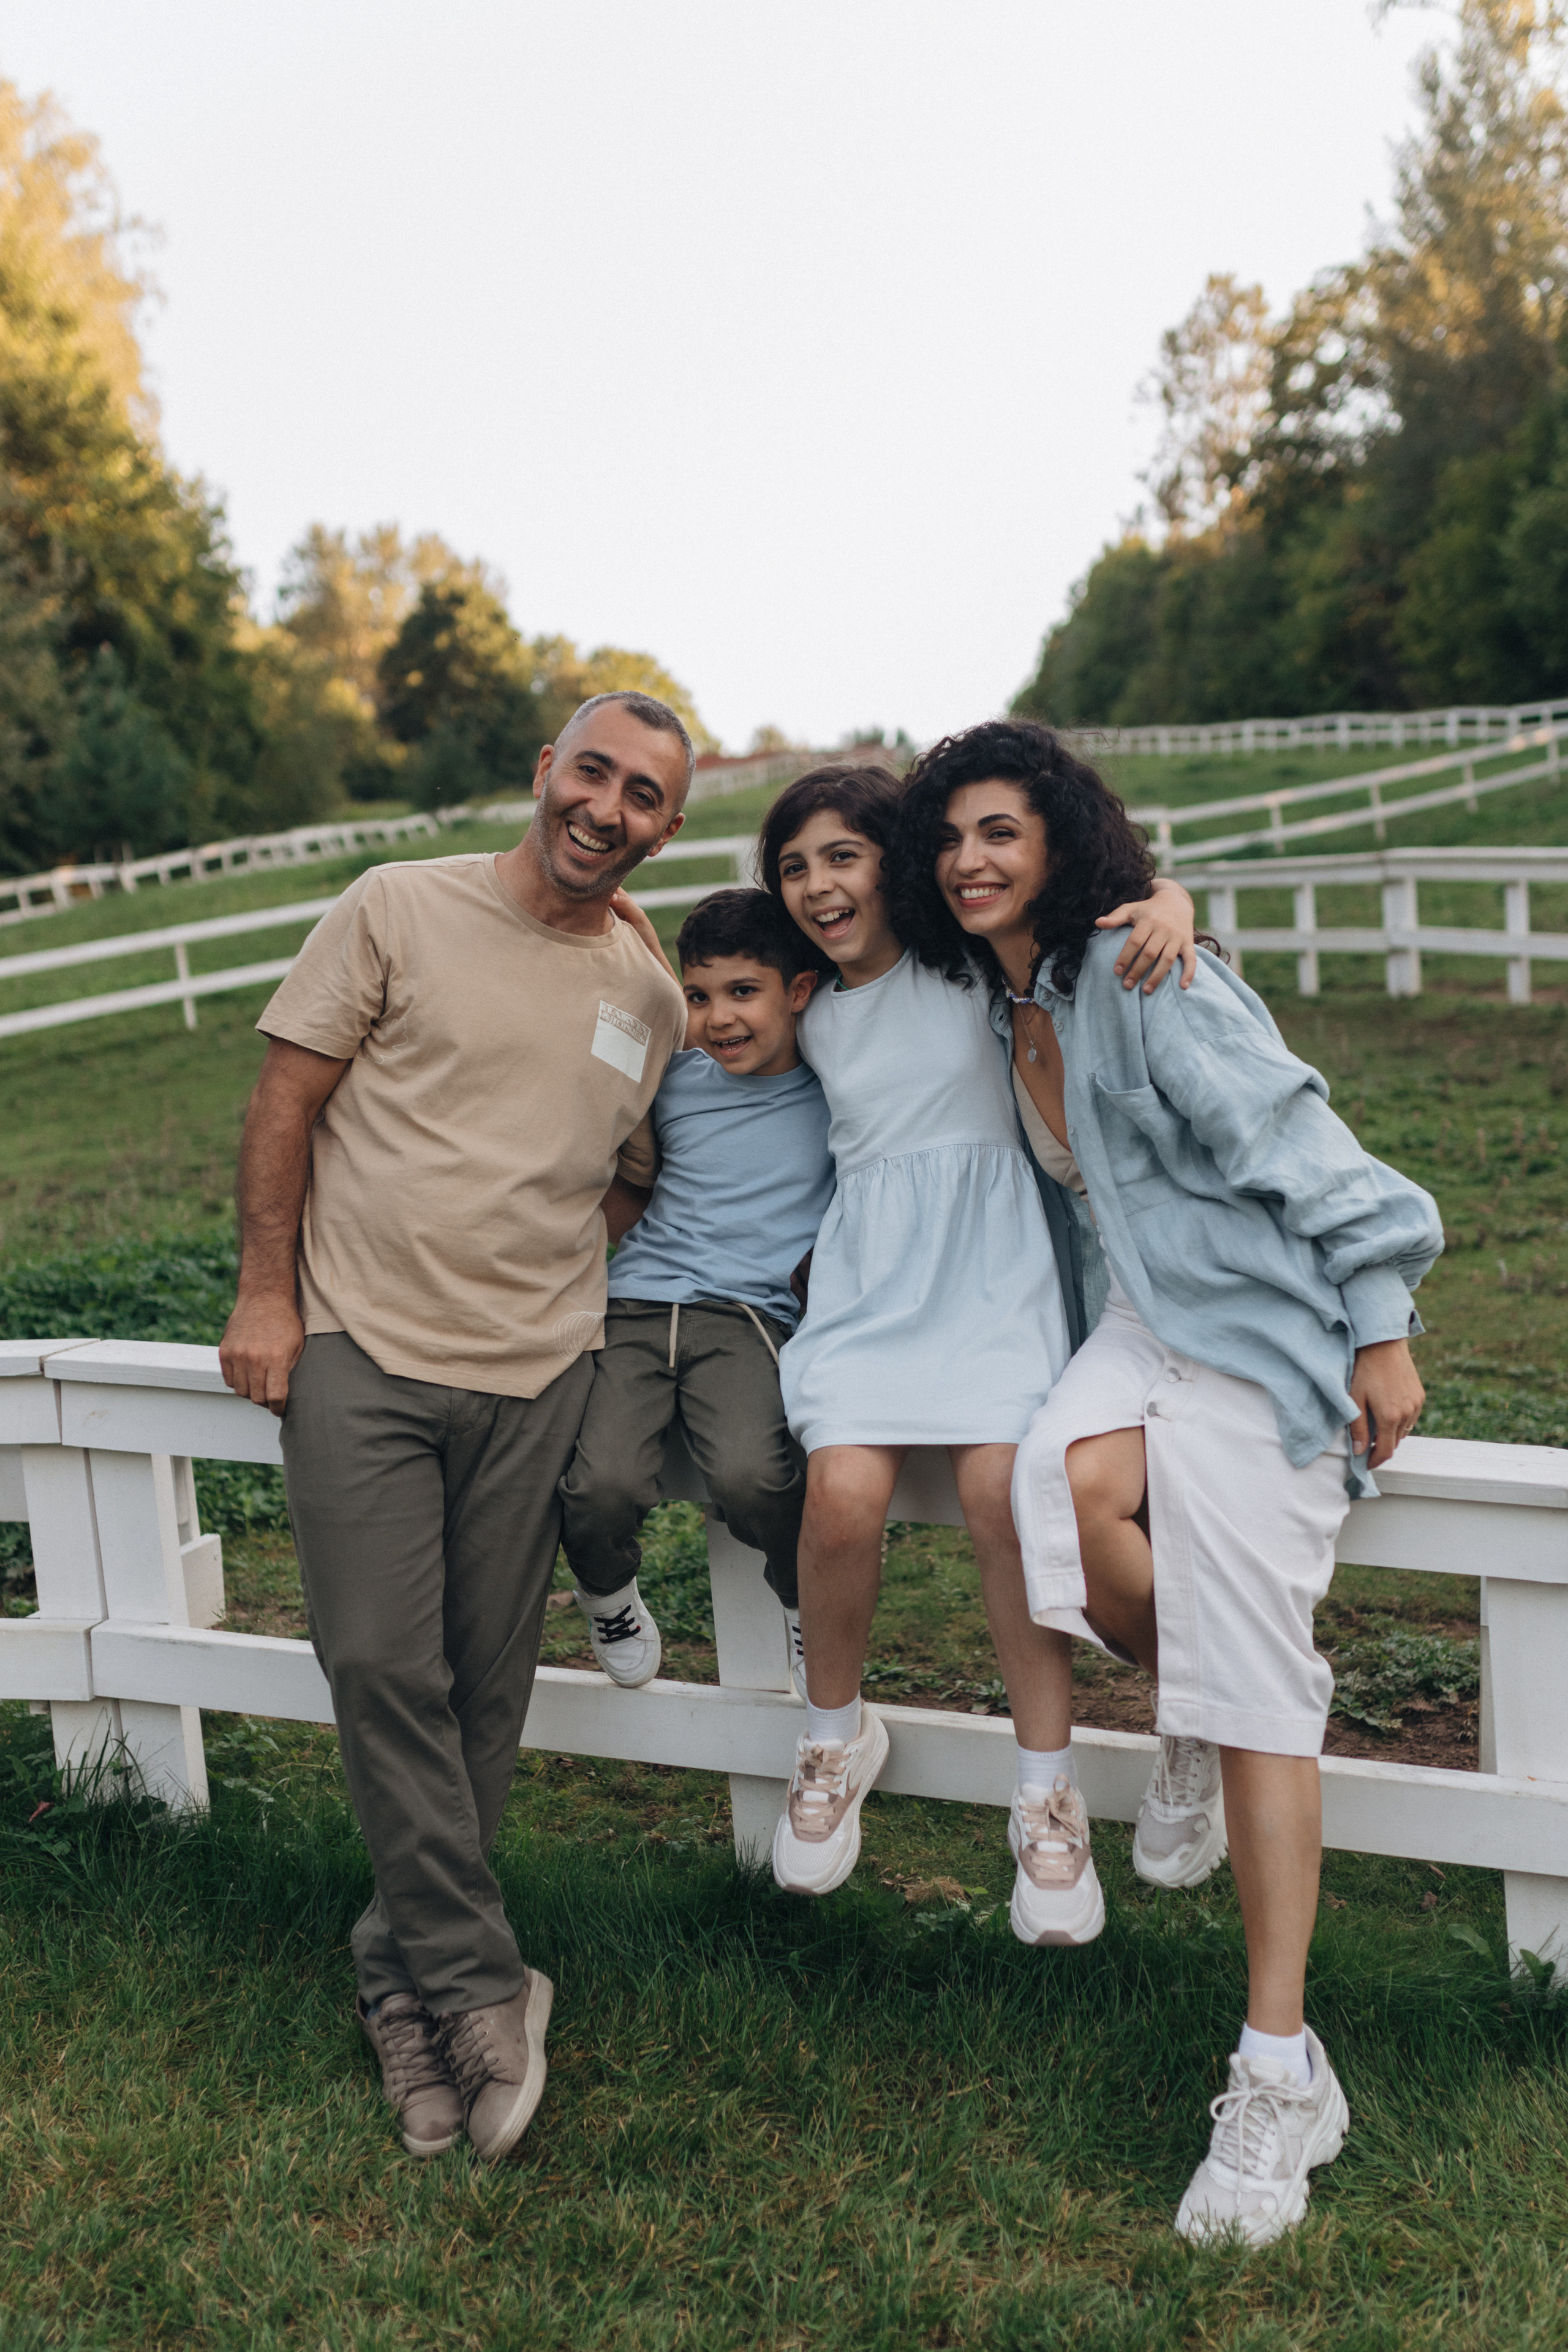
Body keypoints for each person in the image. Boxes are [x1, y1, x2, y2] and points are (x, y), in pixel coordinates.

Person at [888, 717, 1442, 2245]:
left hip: (1259, 1334)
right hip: (1138, 1328)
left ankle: (1278, 2071)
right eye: (948, 839)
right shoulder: (1006, 1001)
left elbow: (1299, 1138)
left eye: (999, 831)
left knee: (1261, 1685)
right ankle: (1185, 1715)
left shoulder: (1147, 973)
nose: (968, 860)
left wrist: (1378, 1327)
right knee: (1048, 1492)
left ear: (1058, 841)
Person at [217, 692, 693, 2164]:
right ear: (545, 770)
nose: (606, 807)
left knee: (481, 1698)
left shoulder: (651, 999)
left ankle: (398, 1990)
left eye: (643, 795)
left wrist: (553, 1257)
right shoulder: (395, 907)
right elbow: (286, 1099)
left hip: (536, 1376)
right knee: (377, 1662)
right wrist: (265, 1292)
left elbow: (631, 1171)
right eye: (592, 771)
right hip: (358, 1346)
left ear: (667, 828)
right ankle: (485, 1984)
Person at [758, 762, 1199, 1940]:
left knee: (1006, 1494)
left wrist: (1169, 899)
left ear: (894, 864)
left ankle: (1047, 1790)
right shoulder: (808, 1006)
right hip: (870, 1290)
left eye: (844, 857)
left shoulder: (967, 968)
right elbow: (707, 993)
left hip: (995, 1278)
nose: (819, 886)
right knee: (839, 1500)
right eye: (794, 867)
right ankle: (832, 1739)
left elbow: (1092, 907)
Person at [558, 886, 834, 1697]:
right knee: (597, 1485)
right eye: (702, 996)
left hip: (748, 1318)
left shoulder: (834, 1089)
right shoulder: (676, 1079)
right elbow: (648, 1010)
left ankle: (807, 1603)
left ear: (799, 991)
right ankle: (606, 1591)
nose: (721, 1018)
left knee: (758, 1477)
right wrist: (639, 931)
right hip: (636, 1305)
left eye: (744, 992)